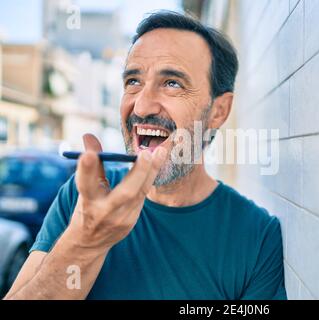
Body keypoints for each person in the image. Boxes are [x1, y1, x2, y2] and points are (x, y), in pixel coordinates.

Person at [4, 11, 287, 300]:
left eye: (172, 83)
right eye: (133, 81)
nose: (142, 106)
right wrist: (85, 242)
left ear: (219, 111)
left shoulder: (256, 237)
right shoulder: (82, 199)